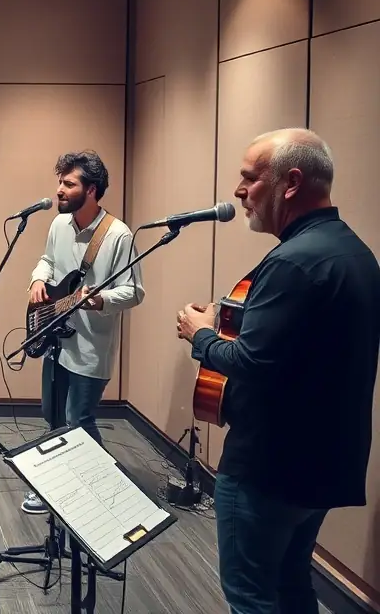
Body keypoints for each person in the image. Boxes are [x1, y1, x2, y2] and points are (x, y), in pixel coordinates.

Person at [177, 128, 379, 614]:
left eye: (249, 178)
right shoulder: (355, 254)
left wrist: (200, 334)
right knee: (291, 586)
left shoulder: (291, 262)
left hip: (269, 470)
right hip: (325, 464)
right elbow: (305, 353)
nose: (239, 192)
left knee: (250, 597)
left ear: (290, 182)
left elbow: (252, 364)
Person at [21, 150, 145, 515]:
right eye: (60, 182)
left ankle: (101, 490)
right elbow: (47, 259)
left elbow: (135, 291)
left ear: (91, 190)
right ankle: (61, 486)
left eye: (68, 183)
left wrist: (99, 298)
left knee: (78, 418)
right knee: (53, 413)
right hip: (57, 337)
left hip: (92, 346)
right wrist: (38, 279)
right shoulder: (60, 224)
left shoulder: (118, 235)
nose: (59, 189)